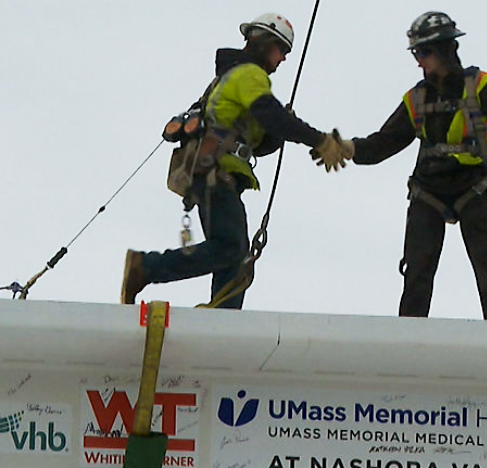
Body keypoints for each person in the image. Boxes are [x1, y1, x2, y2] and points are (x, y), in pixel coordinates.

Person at [332, 11, 487, 321]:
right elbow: (385, 141)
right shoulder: (417, 98)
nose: (419, 61)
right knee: (417, 272)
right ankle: (408, 340)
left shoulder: (479, 87)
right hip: (428, 189)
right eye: (416, 53)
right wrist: (350, 148)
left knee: (486, 270)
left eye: (423, 52)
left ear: (444, 50)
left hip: (473, 185)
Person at [121, 13, 349, 307]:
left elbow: (262, 140)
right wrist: (318, 139)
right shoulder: (249, 75)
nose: (282, 60)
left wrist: (280, 132)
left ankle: (222, 316)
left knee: (235, 254)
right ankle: (146, 267)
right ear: (264, 42)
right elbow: (271, 115)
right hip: (215, 173)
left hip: (214, 174)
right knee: (230, 247)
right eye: (281, 50)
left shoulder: (230, 78)